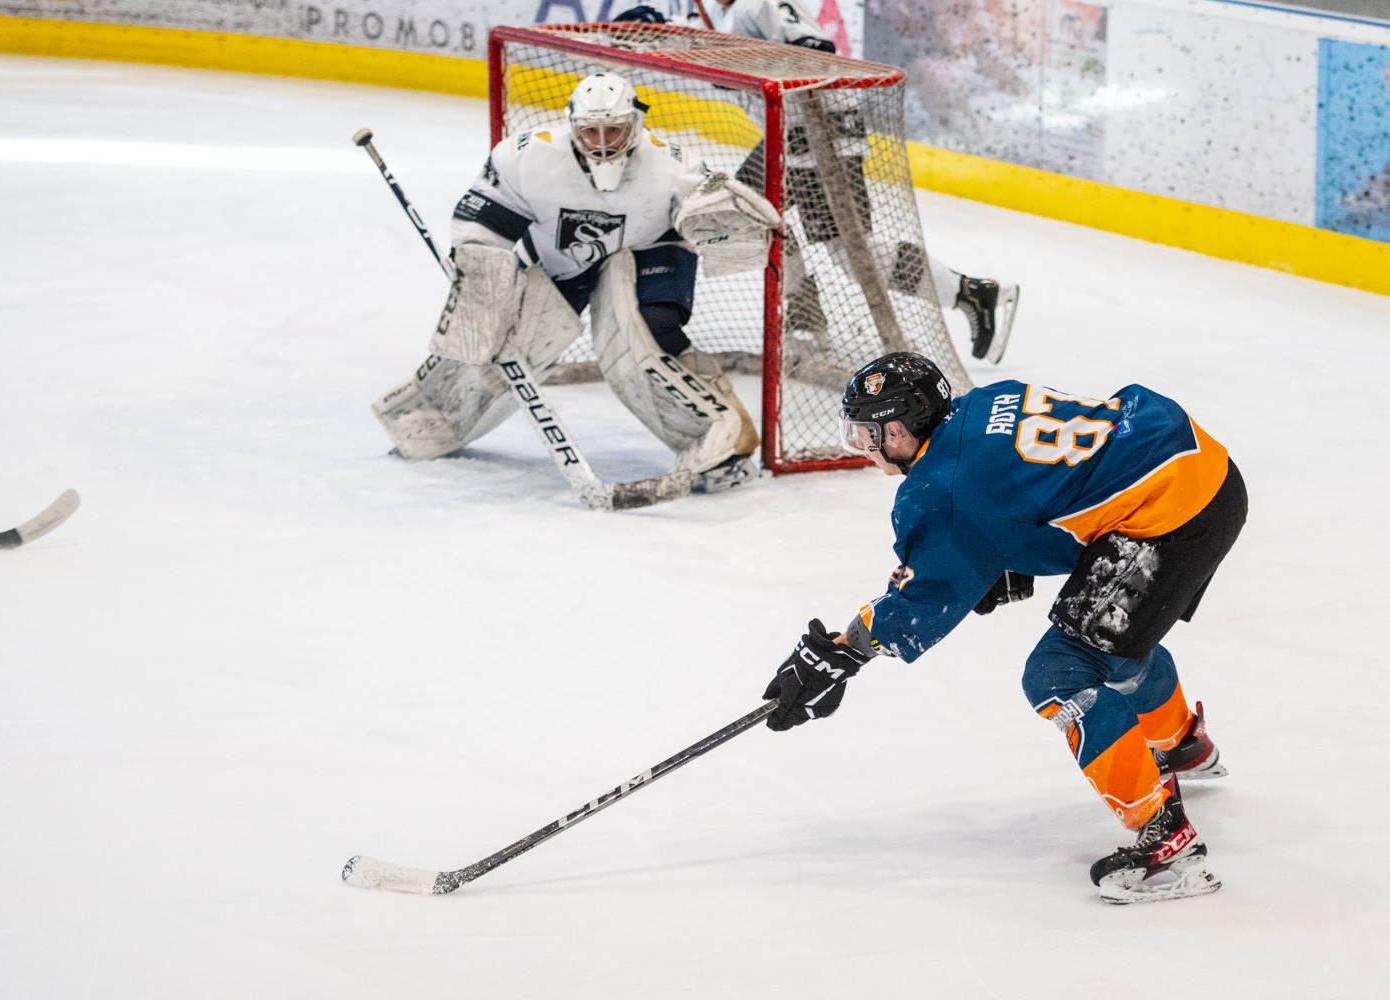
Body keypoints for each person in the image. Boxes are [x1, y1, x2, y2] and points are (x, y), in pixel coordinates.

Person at [762, 352, 1246, 903]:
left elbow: (922, 599)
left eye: (871, 433)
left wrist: (838, 654)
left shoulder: (940, 491)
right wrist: (1006, 556)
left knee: (1059, 672)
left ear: (900, 428)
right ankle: (1182, 745)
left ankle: (1168, 845)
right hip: (1202, 467)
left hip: (1168, 519)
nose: (866, 446)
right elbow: (1048, 486)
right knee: (1113, 638)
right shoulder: (984, 402)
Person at [374, 72, 781, 492]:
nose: (603, 141)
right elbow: (485, 222)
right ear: (572, 125)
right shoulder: (525, 158)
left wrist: (724, 222)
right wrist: (482, 272)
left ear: (635, 126)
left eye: (615, 130)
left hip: (648, 247)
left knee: (646, 332)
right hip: (556, 258)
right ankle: (433, 420)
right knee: (505, 342)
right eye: (591, 131)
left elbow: (707, 220)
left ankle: (723, 441)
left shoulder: (673, 166)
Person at [673, 0, 1019, 362]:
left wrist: (740, 60)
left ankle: (969, 292)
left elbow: (815, 48)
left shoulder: (758, 3)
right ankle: (806, 314)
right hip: (790, 136)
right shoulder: (731, 14)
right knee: (747, 212)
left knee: (849, 253)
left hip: (818, 134)